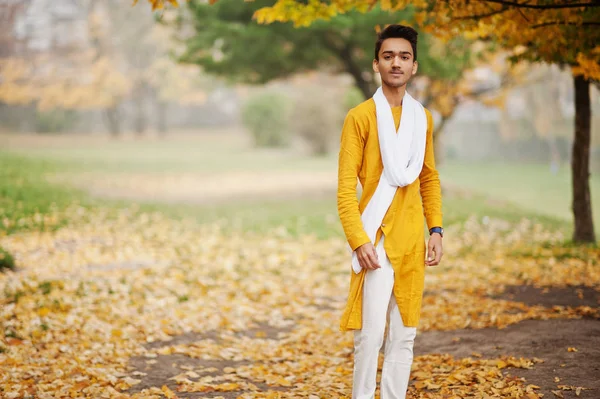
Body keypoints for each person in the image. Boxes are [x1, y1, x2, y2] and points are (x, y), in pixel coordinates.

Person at [336, 24, 444, 399]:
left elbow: (429, 179)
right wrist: (358, 239)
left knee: (404, 335)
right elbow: (345, 189)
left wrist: (436, 231)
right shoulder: (360, 117)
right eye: (388, 56)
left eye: (404, 56)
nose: (396, 63)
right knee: (369, 336)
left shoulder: (422, 118)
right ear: (376, 64)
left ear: (414, 66)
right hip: (376, 240)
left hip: (414, 239)